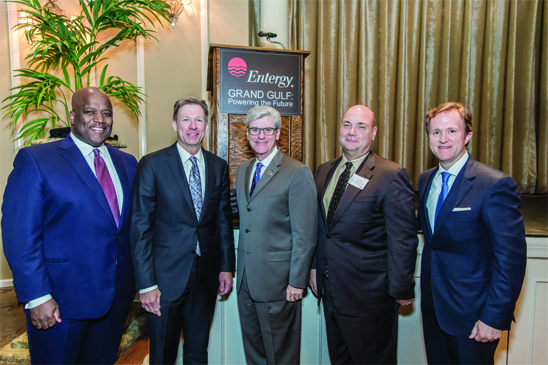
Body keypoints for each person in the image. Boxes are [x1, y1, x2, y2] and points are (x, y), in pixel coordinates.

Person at [1, 87, 138, 364]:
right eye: (90, 111)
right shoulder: (37, 160)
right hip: (61, 303)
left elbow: (130, 228)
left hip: (116, 300)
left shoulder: (127, 162)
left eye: (106, 113)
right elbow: (20, 235)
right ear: (73, 115)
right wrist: (37, 296)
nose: (100, 119)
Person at [417, 102, 526, 364]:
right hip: (433, 312)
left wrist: (493, 317)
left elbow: (510, 261)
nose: (443, 139)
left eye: (452, 131)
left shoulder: (494, 185)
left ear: (468, 135)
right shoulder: (425, 179)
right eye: (435, 132)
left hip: (474, 318)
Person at [309, 105, 418, 364]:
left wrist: (402, 289)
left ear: (374, 132)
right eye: (347, 124)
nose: (352, 132)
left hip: (369, 297)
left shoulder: (390, 174)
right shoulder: (324, 171)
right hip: (331, 290)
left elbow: (402, 238)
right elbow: (321, 229)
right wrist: (314, 268)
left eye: (361, 126)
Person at [130, 97, 235, 365]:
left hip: (206, 277)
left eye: (199, 120)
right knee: (163, 354)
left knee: (198, 352)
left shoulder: (218, 166)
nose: (192, 126)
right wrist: (146, 284)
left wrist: (226, 267)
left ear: (207, 126)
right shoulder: (152, 164)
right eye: (186, 119)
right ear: (175, 124)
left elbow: (222, 220)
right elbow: (140, 227)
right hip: (164, 280)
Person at [234, 105, 317, 364]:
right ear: (247, 134)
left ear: (278, 133)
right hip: (246, 280)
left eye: (267, 130)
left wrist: (297, 281)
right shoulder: (243, 170)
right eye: (255, 130)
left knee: (281, 356)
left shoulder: (297, 171)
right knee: (255, 354)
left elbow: (305, 234)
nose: (261, 136)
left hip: (280, 285)